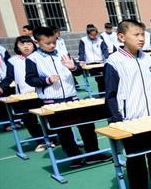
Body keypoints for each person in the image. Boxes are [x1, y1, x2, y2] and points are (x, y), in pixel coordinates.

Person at [104, 19, 151, 189]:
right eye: (136, 35)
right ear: (121, 37)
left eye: (143, 34)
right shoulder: (114, 61)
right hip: (131, 119)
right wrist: (116, 119)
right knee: (135, 157)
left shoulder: (147, 58)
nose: (141, 38)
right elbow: (110, 94)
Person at [25, 26, 110, 167]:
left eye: (54, 42)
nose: (52, 45)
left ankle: (93, 154)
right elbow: (30, 79)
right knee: (63, 130)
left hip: (72, 97)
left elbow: (78, 72)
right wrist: (47, 80)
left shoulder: (62, 53)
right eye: (48, 43)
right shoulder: (33, 59)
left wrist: (73, 67)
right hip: (52, 101)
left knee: (86, 124)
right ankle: (74, 157)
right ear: (36, 42)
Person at [0, 36, 48, 151]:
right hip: (24, 96)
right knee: (29, 120)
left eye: (29, 43)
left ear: (34, 45)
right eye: (22, 44)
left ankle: (54, 139)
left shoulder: (40, 57)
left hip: (42, 94)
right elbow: (9, 77)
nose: (26, 46)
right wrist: (1, 88)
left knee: (47, 118)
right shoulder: (13, 61)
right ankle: (41, 141)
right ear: (17, 47)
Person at [78, 24, 109, 93]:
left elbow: (104, 50)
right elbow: (81, 51)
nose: (94, 37)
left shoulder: (100, 40)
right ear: (88, 34)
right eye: (92, 35)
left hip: (99, 62)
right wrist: (81, 60)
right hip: (90, 63)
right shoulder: (83, 40)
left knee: (102, 79)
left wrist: (107, 58)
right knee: (99, 79)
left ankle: (104, 94)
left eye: (95, 35)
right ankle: (102, 94)